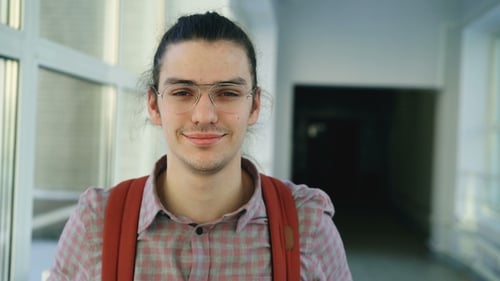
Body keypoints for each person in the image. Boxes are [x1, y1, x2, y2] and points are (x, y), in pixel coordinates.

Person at [48, 12, 352, 280]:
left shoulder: (307, 226)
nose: (204, 115)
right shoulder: (96, 224)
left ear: (255, 105)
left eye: (228, 93)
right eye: (182, 92)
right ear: (154, 105)